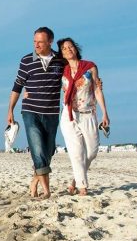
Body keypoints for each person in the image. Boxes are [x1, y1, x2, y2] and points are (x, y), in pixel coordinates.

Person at [7, 27, 65, 198]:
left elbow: (75, 74)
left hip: (52, 113)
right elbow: (17, 86)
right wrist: (10, 109)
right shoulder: (26, 60)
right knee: (37, 150)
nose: (36, 45)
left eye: (40, 42)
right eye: (34, 41)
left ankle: (34, 181)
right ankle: (46, 190)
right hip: (30, 111)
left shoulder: (61, 61)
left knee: (48, 151)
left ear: (50, 42)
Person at [56, 37, 110, 195]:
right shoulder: (61, 71)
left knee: (92, 151)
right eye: (64, 49)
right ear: (62, 54)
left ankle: (76, 179)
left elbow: (97, 90)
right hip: (69, 115)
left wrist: (105, 112)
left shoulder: (90, 67)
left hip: (88, 114)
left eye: (70, 47)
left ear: (76, 48)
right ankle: (82, 189)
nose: (68, 50)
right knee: (76, 152)